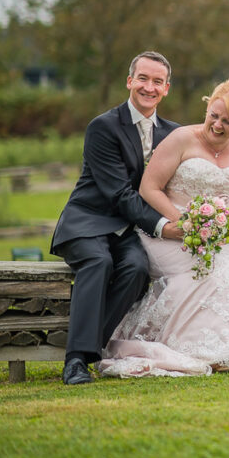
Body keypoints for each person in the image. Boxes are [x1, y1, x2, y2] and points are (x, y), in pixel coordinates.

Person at [98, 79, 229, 377]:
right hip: (169, 233)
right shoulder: (179, 139)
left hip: (218, 235)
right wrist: (183, 222)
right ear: (208, 106)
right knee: (205, 274)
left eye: (227, 121)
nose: (216, 125)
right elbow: (149, 188)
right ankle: (191, 350)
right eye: (213, 115)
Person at [51, 51, 182, 385]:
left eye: (157, 81)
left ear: (166, 88)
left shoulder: (173, 134)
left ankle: (89, 348)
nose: (148, 87)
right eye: (143, 78)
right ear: (129, 81)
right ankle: (76, 361)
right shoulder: (103, 127)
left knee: (137, 269)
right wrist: (165, 227)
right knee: (98, 262)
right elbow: (119, 194)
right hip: (88, 220)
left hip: (126, 230)